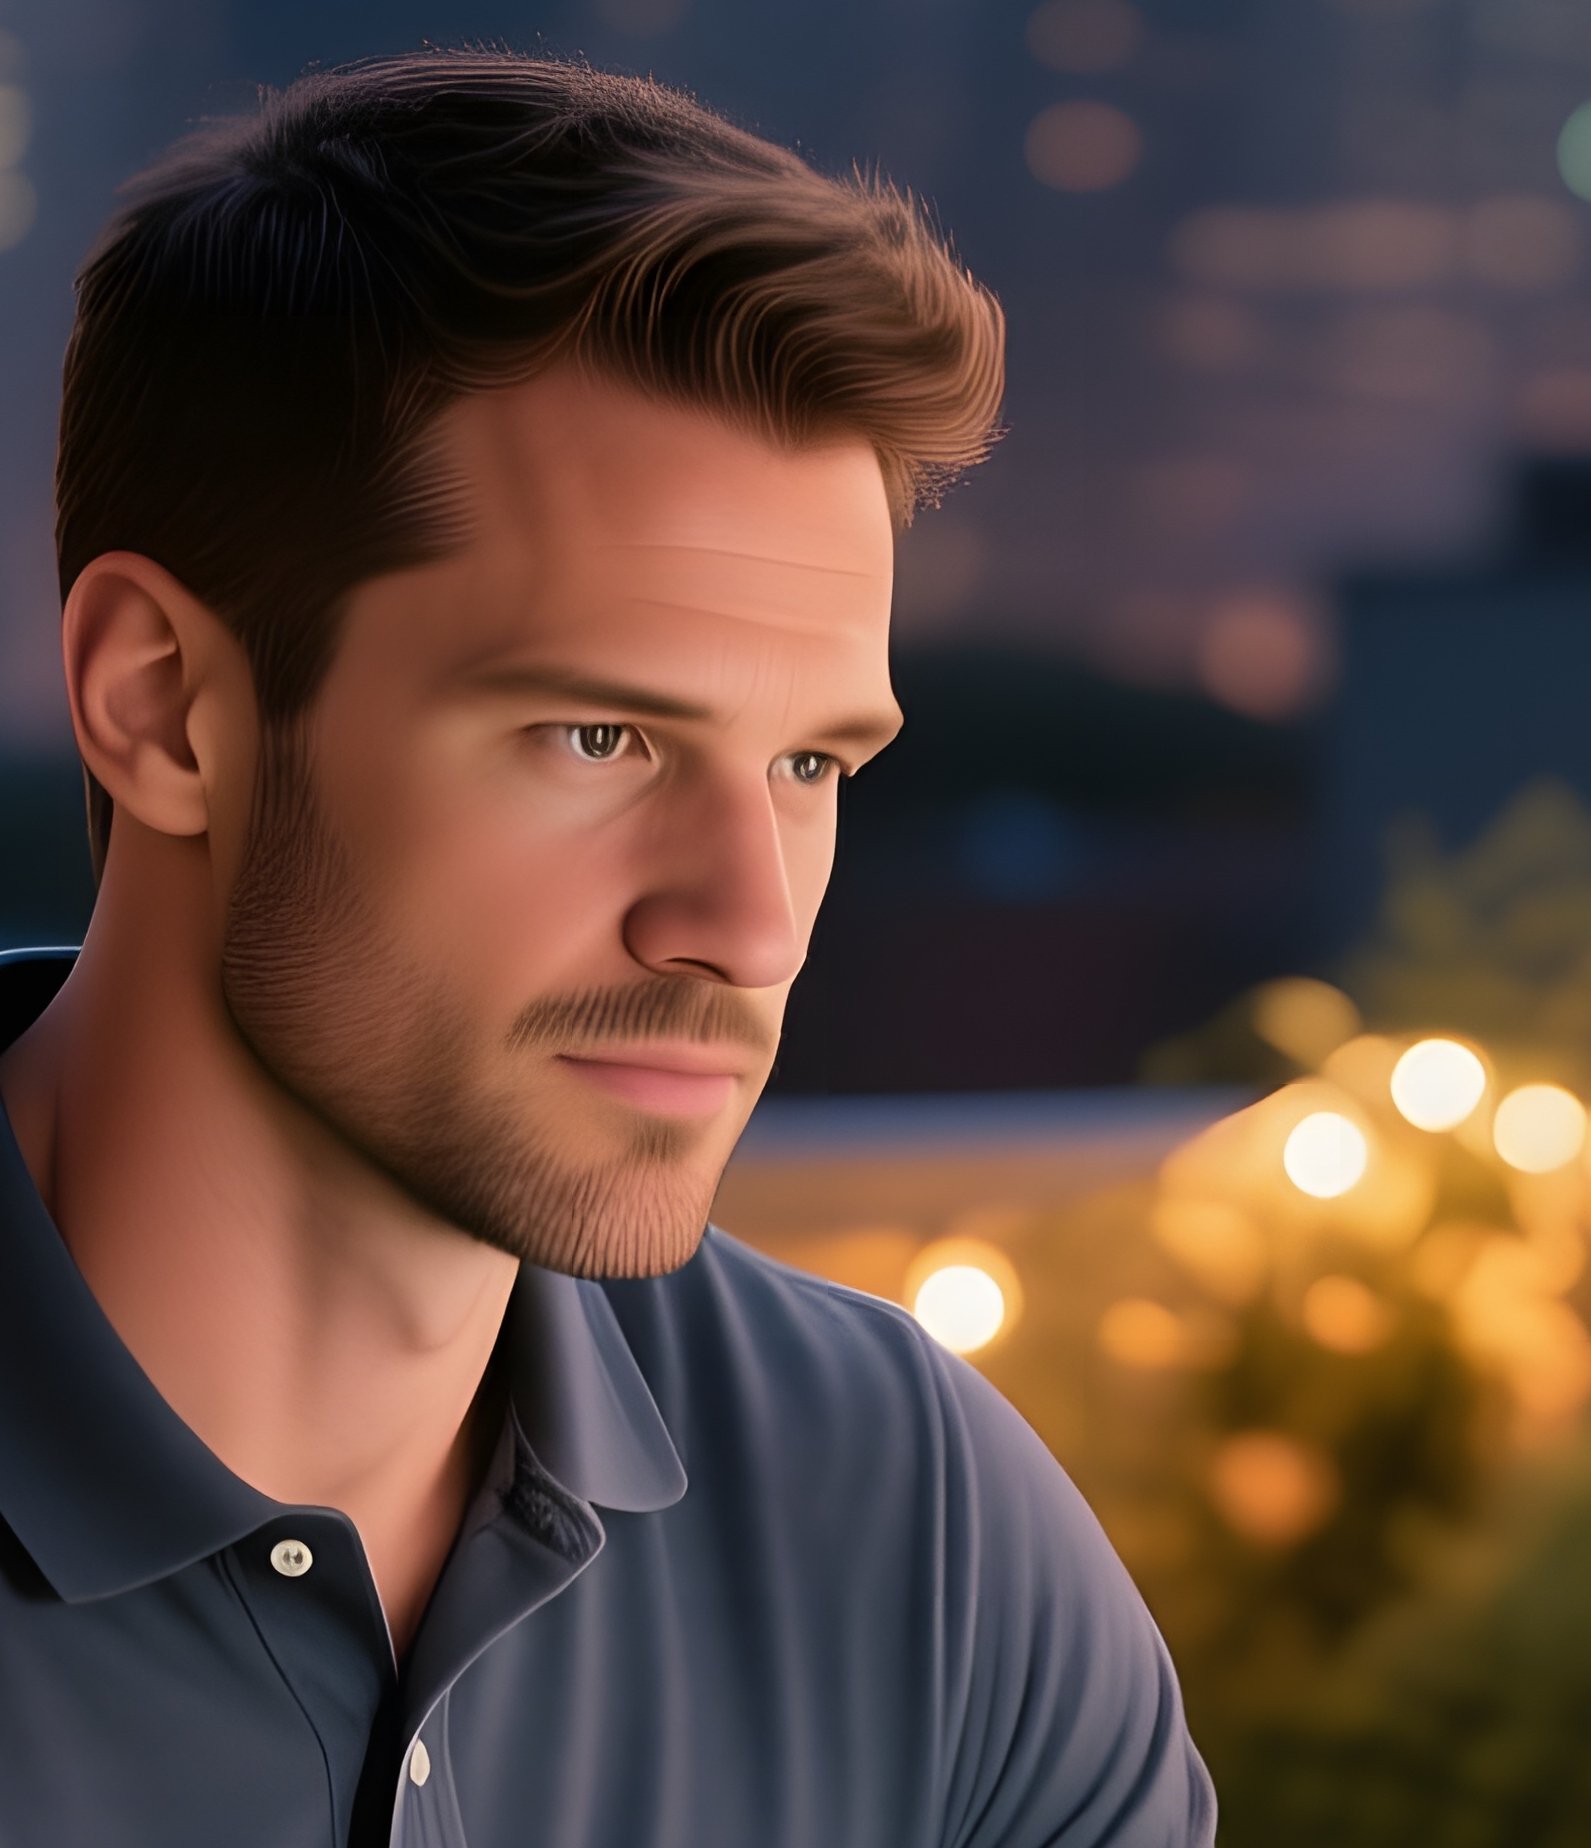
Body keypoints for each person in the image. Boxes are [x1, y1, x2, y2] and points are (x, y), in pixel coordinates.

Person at [0, 46, 1219, 1848]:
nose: (748, 924)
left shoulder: (922, 1534)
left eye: (810, 762)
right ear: (166, 709)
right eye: (600, 738)